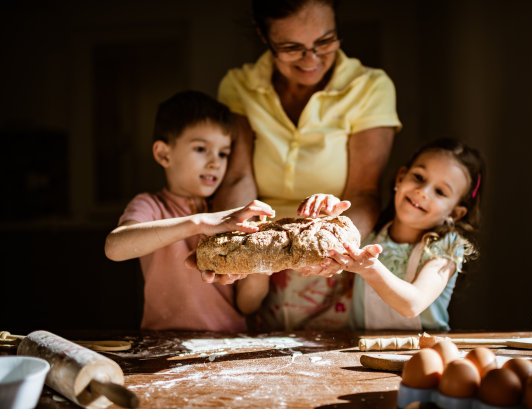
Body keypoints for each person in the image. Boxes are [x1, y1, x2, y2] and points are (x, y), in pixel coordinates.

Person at [214, 0, 402, 330]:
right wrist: (238, 245)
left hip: (328, 253)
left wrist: (338, 249)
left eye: (325, 41)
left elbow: (363, 191)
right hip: (262, 253)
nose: (312, 59)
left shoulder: (370, 87)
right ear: (263, 35)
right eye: (291, 48)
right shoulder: (239, 86)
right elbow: (238, 178)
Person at [104, 90, 275, 331]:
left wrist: (261, 267)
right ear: (164, 154)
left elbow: (247, 306)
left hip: (228, 348)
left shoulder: (231, 215)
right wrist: (198, 223)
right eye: (201, 149)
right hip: (162, 346)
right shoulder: (151, 205)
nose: (215, 162)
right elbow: (115, 248)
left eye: (223, 153)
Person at [308, 138, 484, 330]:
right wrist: (327, 211)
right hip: (360, 352)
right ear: (401, 178)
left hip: (421, 352)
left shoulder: (447, 247)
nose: (422, 192)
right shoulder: (369, 232)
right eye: (419, 177)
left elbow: (412, 305)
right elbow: (327, 246)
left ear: (455, 213)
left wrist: (370, 269)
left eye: (440, 191)